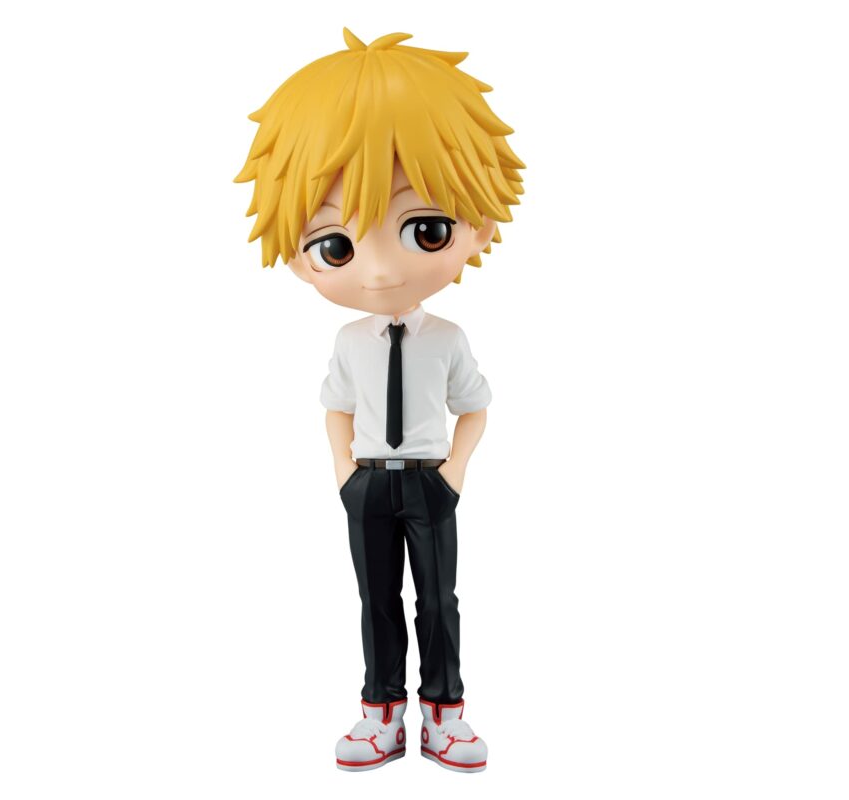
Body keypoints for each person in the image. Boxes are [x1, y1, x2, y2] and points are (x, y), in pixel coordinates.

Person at [234, 28, 525, 773]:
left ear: (477, 226)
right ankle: (381, 710)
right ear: (300, 258)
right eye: (335, 244)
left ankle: (445, 712)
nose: (378, 271)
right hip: (367, 482)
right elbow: (335, 406)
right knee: (376, 600)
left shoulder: (447, 338)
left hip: (429, 482)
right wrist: (344, 472)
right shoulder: (349, 342)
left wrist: (453, 472)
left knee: (438, 599)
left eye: (423, 228)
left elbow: (475, 406)